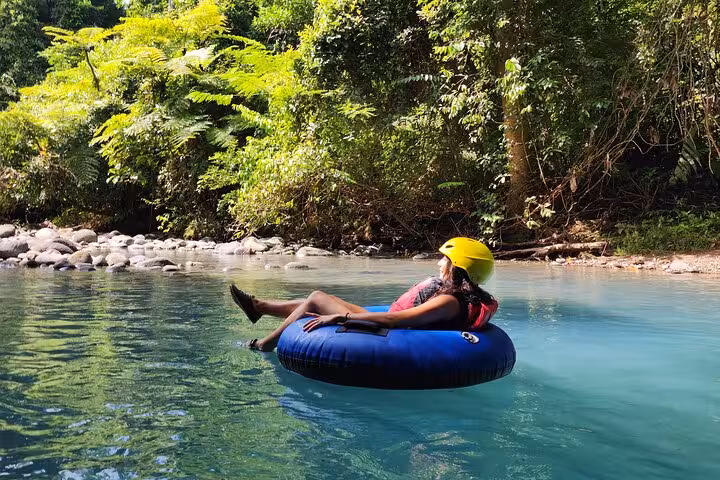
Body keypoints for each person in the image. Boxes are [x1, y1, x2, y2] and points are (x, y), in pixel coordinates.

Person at [230, 237, 498, 351]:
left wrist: (340, 318)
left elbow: (395, 321)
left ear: (459, 267)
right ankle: (259, 307)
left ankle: (264, 345)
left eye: (444, 259)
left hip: (398, 335)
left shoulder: (448, 301)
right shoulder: (462, 297)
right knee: (317, 300)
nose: (440, 263)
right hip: (402, 325)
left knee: (316, 298)